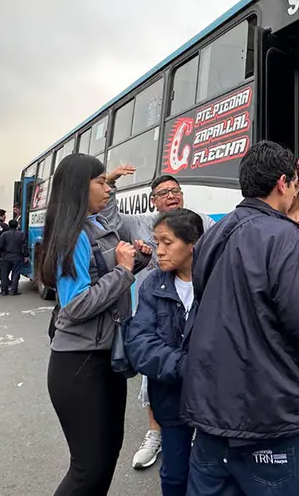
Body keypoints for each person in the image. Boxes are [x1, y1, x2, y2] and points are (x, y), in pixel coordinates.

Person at [182, 141, 299, 496]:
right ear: (283, 183)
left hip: (211, 413)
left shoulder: (214, 234)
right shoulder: (285, 238)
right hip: (271, 417)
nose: (296, 191)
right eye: (295, 183)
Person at [41, 153, 152, 496]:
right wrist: (124, 270)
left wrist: (137, 258)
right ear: (79, 186)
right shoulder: (72, 235)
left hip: (106, 357)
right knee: (87, 468)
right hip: (80, 364)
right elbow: (75, 306)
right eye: (101, 182)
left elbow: (105, 270)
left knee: (107, 456)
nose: (108, 189)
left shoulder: (98, 226)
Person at [104, 168, 215, 471]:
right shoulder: (139, 225)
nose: (171, 196)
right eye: (164, 193)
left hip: (192, 319)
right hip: (161, 312)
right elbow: (111, 214)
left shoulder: (202, 223)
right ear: (153, 201)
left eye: (175, 190)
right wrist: (110, 181)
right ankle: (156, 433)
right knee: (155, 380)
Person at [125, 209, 205, 496]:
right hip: (170, 399)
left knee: (212, 473)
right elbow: (140, 343)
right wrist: (188, 366)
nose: (159, 251)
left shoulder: (217, 283)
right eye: (156, 242)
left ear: (192, 244)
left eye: (167, 243)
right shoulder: (153, 284)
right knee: (173, 475)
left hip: (215, 402)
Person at [0, 219, 27, 295]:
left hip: (6, 256)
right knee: (16, 274)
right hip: (17, 256)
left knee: (4, 274)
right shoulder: (21, 234)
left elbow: (0, 246)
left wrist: (1, 253)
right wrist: (26, 255)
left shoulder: (4, 234)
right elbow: (24, 246)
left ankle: (4, 290)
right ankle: (14, 290)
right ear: (17, 226)